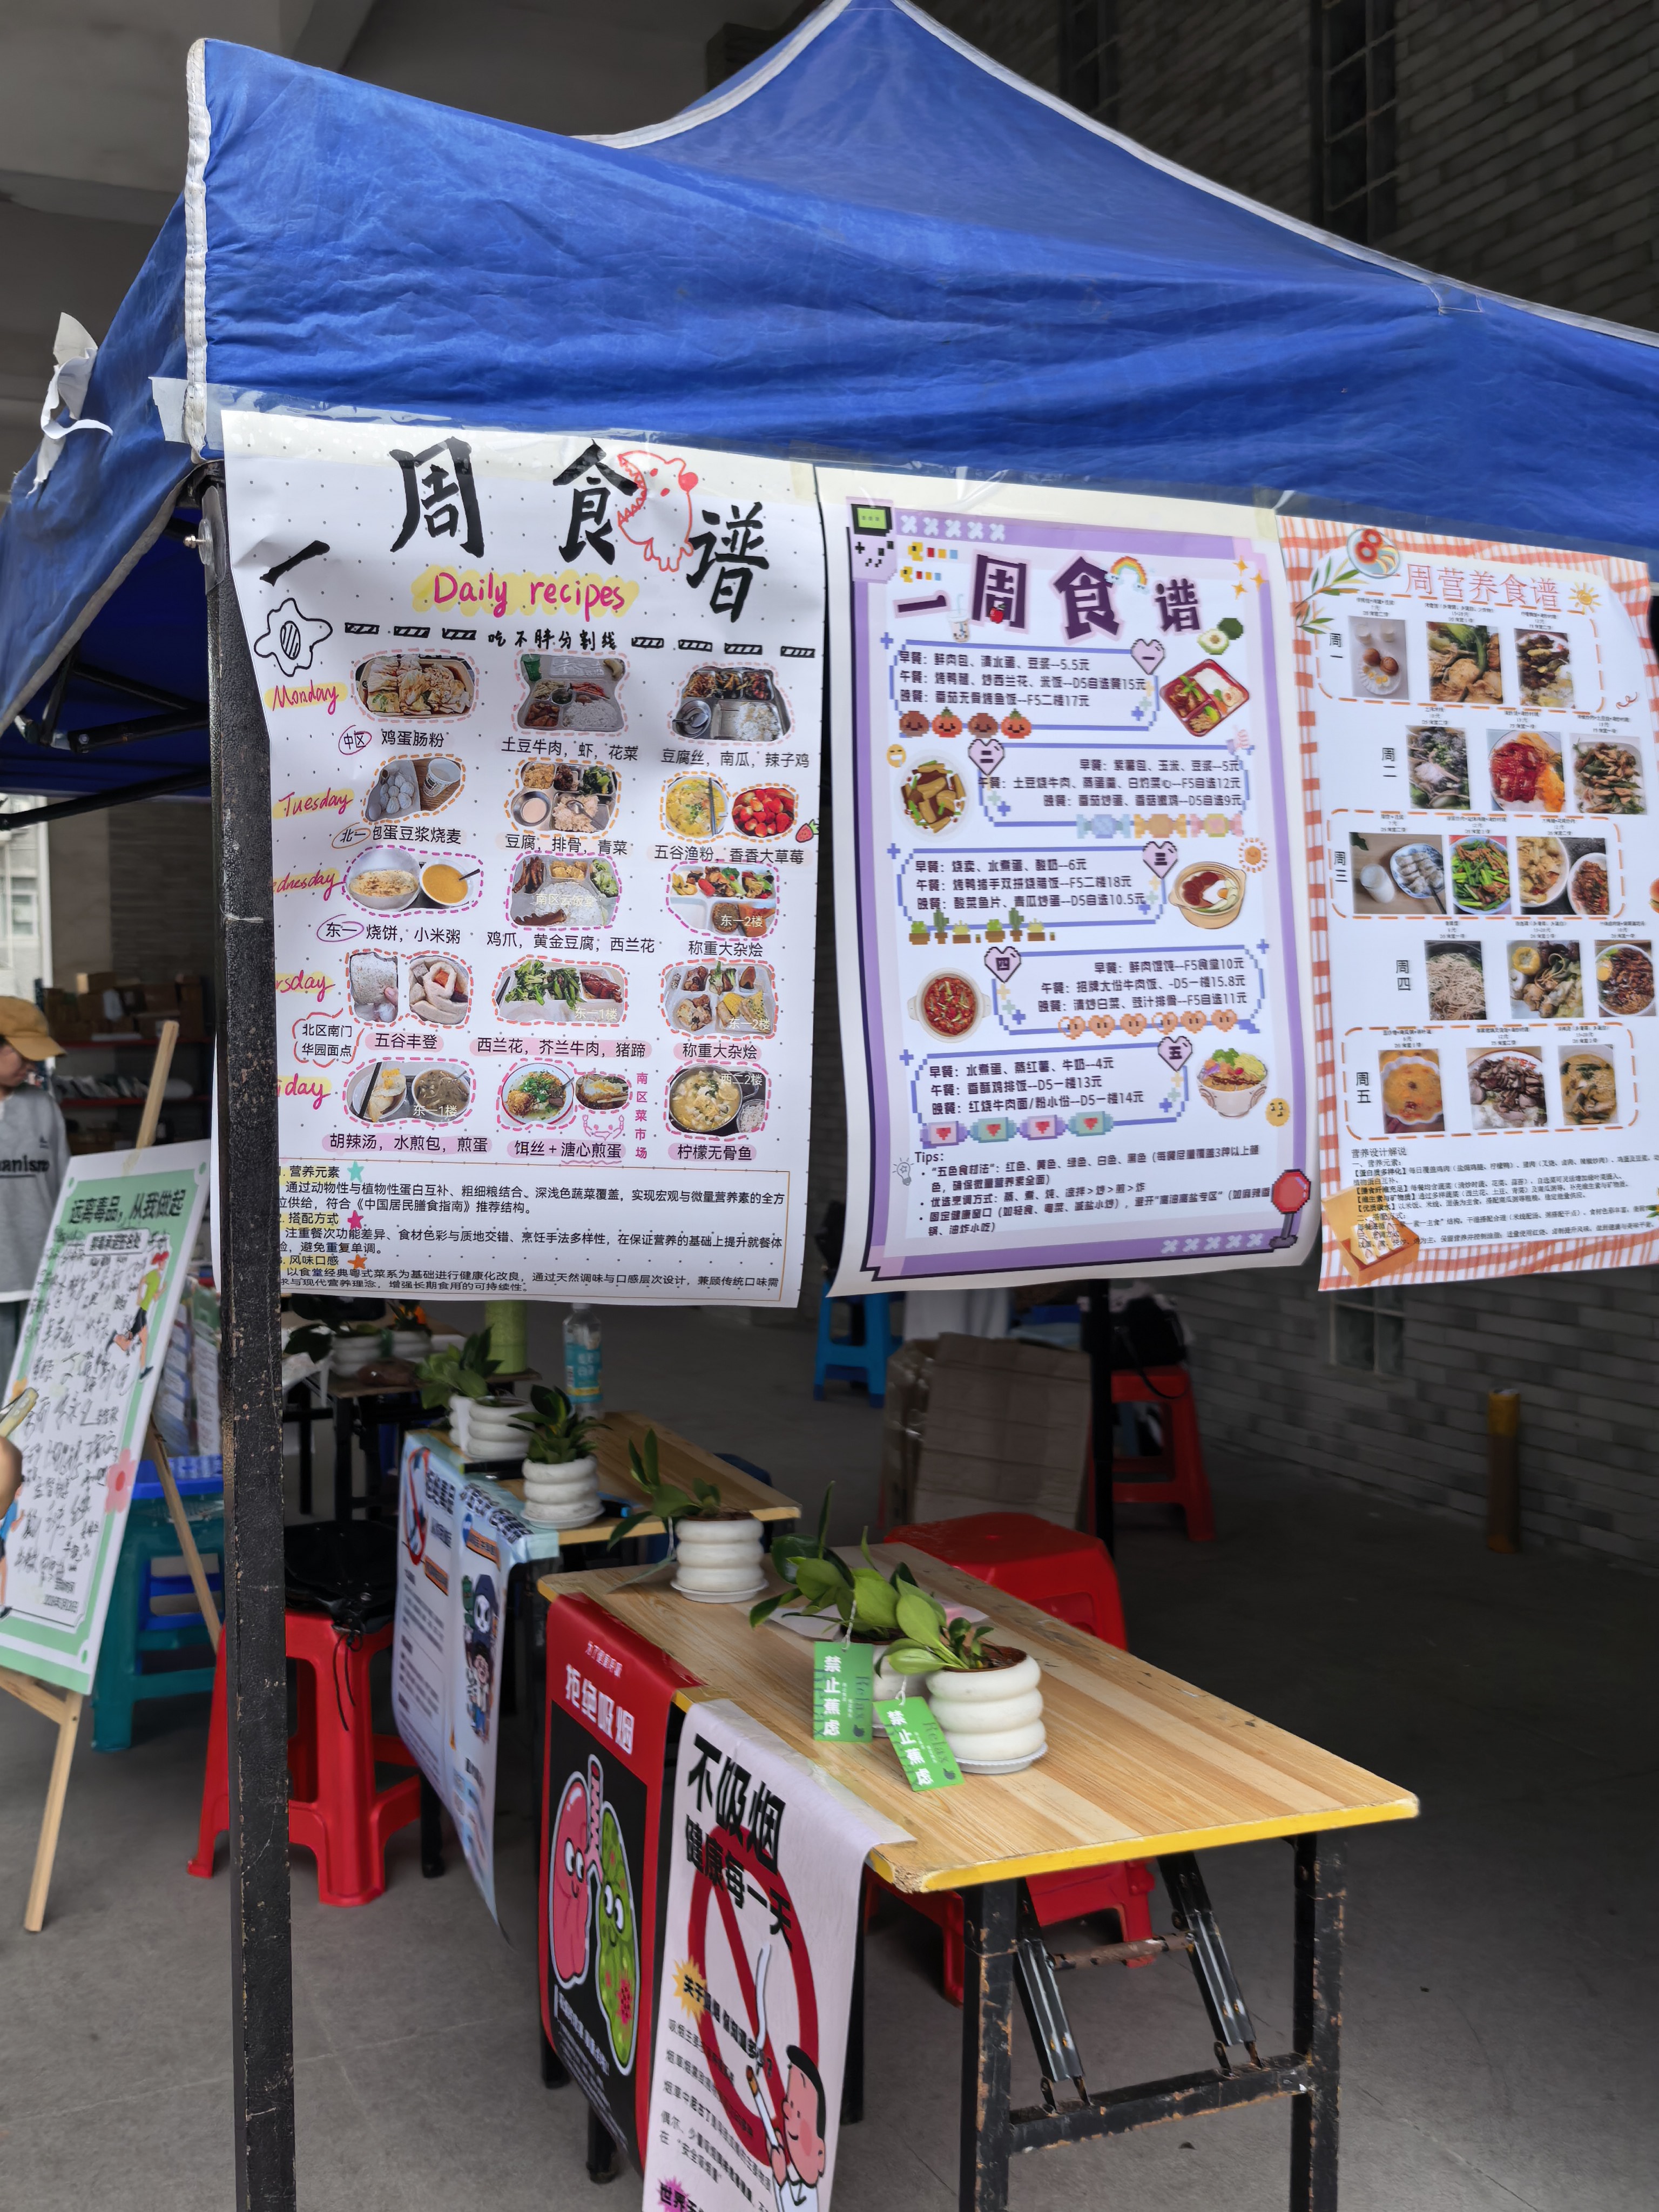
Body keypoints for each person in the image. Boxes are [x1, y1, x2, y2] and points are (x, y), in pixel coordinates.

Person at [0, 997, 69, 1382]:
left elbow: (64, 1187)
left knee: (35, 1389)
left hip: (41, 1273)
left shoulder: (44, 1107)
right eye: (22, 1054)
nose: (31, 1065)